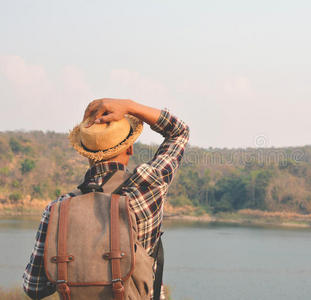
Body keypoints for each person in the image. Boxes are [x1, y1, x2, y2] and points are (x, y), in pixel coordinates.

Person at [23, 98, 190, 299]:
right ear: (130, 148)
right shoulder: (147, 186)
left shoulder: (58, 209)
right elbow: (179, 132)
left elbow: (34, 287)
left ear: (86, 155)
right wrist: (129, 106)